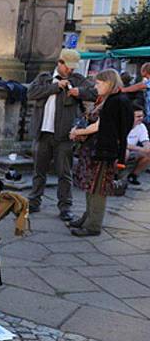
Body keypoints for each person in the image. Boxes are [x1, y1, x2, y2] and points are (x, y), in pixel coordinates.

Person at [27, 49, 97, 222]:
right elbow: (30, 93)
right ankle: (34, 202)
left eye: (73, 68)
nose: (70, 71)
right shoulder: (44, 78)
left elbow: (94, 94)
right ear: (60, 62)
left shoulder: (78, 79)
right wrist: (54, 87)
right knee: (39, 171)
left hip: (65, 135)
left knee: (64, 173)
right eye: (68, 67)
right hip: (43, 133)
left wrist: (78, 92)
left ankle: (65, 207)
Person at [69, 69, 133, 236]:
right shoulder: (110, 99)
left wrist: (78, 133)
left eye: (98, 83)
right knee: (91, 187)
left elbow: (101, 126)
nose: (96, 87)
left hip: (105, 151)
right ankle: (88, 217)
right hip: (97, 149)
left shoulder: (116, 101)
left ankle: (93, 225)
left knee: (98, 189)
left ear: (108, 83)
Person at [125, 108, 150, 185]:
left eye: (142, 116)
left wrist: (147, 147)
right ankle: (115, 175)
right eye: (138, 116)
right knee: (125, 152)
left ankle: (133, 175)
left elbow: (145, 140)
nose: (141, 118)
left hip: (134, 150)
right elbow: (121, 144)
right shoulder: (122, 125)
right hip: (121, 150)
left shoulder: (141, 126)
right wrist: (140, 148)